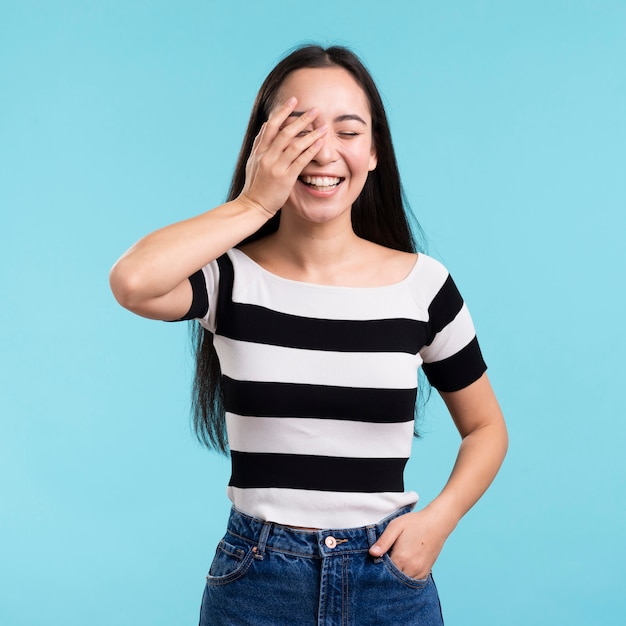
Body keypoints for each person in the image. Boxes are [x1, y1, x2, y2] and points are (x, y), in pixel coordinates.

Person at [110, 44, 508, 626]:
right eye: (299, 131)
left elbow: (486, 428)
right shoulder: (229, 278)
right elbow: (132, 281)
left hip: (388, 580)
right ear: (263, 146)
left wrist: (436, 524)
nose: (323, 152)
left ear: (374, 153)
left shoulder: (423, 287)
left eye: (348, 131)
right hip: (257, 578)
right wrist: (253, 201)